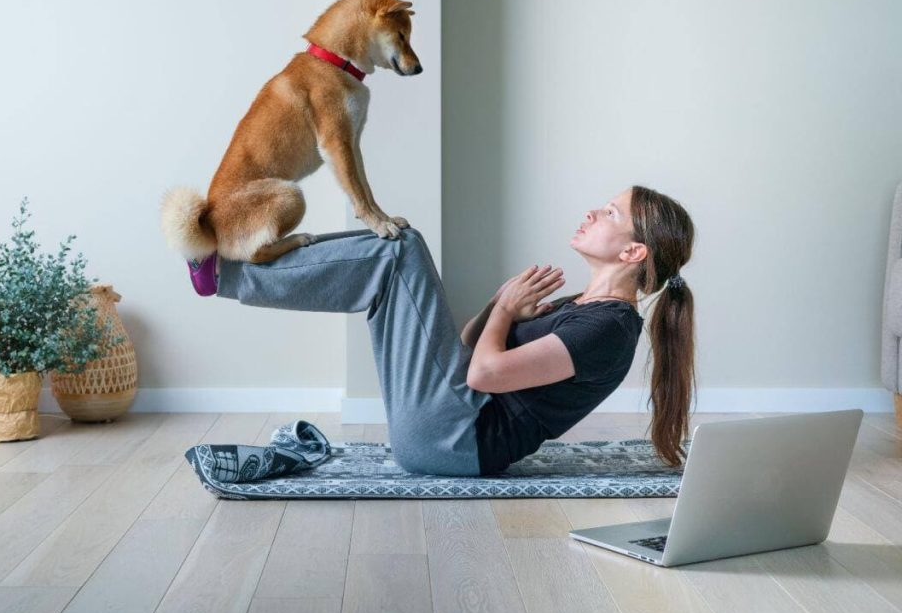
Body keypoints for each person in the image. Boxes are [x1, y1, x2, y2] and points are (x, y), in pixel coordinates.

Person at [199, 184, 695, 476]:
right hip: (447, 427)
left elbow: (483, 376)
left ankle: (227, 272)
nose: (592, 212)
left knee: (400, 248)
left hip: (457, 441)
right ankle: (232, 267)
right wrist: (497, 308)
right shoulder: (582, 307)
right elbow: (464, 351)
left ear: (633, 252)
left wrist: (505, 311)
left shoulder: (609, 329)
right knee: (393, 254)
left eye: (610, 213)